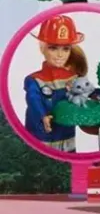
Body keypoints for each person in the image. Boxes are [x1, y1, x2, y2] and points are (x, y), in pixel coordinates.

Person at [24, 14, 89, 152]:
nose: (60, 55)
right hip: (40, 140)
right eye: (53, 48)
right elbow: (33, 98)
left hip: (67, 141)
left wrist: (98, 100)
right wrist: (42, 116)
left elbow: (89, 93)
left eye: (66, 49)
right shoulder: (34, 79)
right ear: (42, 48)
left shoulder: (74, 78)